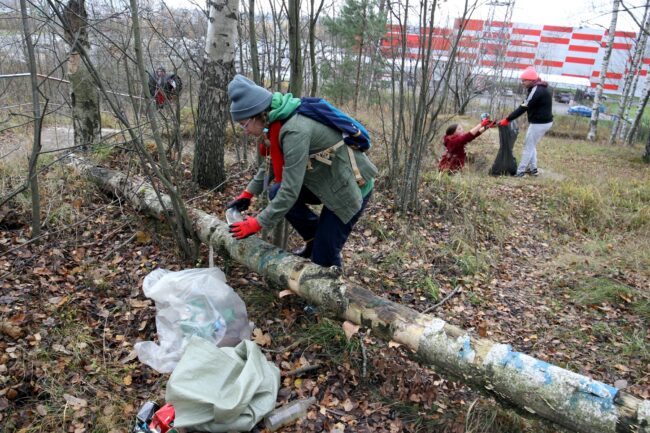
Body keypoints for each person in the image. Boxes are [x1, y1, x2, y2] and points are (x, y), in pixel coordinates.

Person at [226, 74, 378, 268]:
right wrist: (247, 194)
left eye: (244, 125)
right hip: (327, 181)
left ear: (258, 114)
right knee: (275, 192)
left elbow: (290, 191)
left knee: (324, 260)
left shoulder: (294, 130)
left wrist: (256, 223)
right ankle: (315, 238)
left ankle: (328, 290)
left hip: (350, 188)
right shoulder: (276, 122)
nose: (245, 131)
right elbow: (272, 163)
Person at [498, 66, 553, 177]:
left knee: (528, 146)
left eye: (524, 80)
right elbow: (526, 103)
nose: (522, 82)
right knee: (531, 145)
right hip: (543, 122)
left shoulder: (537, 90)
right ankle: (533, 169)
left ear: (531, 80)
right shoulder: (538, 88)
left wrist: (507, 119)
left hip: (539, 124)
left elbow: (524, 107)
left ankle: (520, 172)